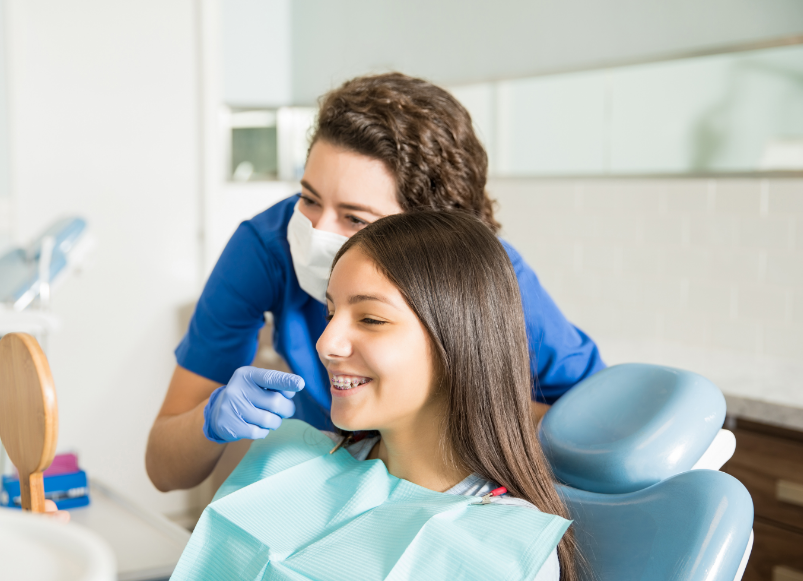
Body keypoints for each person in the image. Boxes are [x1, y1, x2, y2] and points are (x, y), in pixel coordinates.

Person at [146, 72, 604, 493]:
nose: (316, 231)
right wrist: (211, 419)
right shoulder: (268, 247)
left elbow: (602, 436)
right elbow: (165, 469)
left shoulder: (490, 283)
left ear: (434, 241)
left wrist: (469, 405)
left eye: (355, 217)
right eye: (308, 198)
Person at [149, 211, 582, 581]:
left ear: (459, 341)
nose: (326, 343)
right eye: (330, 313)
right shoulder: (290, 462)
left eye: (371, 318)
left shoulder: (505, 547)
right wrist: (208, 419)